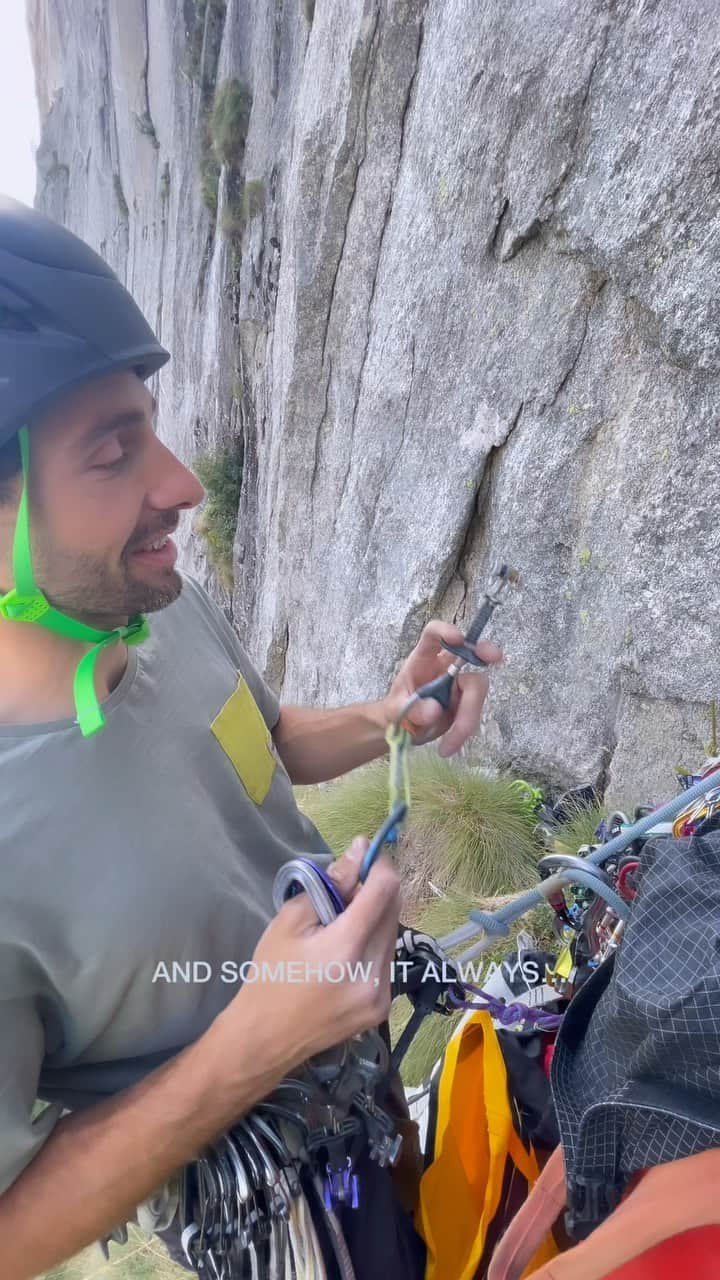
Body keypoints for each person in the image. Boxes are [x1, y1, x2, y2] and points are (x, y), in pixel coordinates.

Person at [0, 194, 502, 1279]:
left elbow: (261, 739)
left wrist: (386, 716)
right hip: (267, 1215)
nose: (178, 485)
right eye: (111, 451)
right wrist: (255, 1041)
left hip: (360, 1073)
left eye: (153, 423)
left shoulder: (155, 599)